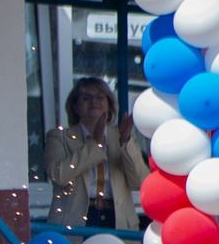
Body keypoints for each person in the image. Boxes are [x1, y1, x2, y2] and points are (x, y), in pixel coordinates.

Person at [41, 76, 148, 229]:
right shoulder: (60, 137)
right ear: (75, 106)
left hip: (117, 221)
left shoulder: (120, 137)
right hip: (76, 222)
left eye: (99, 97)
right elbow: (58, 175)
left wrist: (125, 141)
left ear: (109, 105)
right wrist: (94, 146)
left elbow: (140, 182)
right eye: (86, 98)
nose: (94, 102)